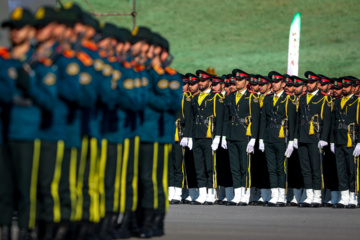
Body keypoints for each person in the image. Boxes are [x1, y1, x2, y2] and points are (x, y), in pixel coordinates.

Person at [223, 69, 260, 206]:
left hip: (245, 135)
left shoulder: (252, 97)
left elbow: (256, 119)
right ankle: (236, 195)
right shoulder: (230, 97)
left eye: (239, 80)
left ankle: (246, 194)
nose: (236, 82)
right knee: (234, 166)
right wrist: (224, 137)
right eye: (235, 80)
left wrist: (254, 139)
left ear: (247, 82)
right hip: (232, 135)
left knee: (245, 167)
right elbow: (226, 118)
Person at [259, 71, 296, 207]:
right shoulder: (268, 98)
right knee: (271, 168)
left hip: (282, 137)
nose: (273, 85)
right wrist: (261, 139)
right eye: (272, 82)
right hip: (269, 136)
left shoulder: (288, 99)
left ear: (283, 84)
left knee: (281, 167)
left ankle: (282, 195)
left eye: (276, 82)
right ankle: (274, 195)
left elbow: (292, 121)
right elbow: (264, 120)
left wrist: (291, 141)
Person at [190, 70, 224, 205]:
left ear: (210, 83)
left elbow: (220, 118)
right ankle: (202, 193)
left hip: (209, 135)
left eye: (203, 81)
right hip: (197, 134)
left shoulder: (216, 98)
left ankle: (211, 192)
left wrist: (218, 137)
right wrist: (190, 135)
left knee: (210, 166)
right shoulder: (195, 98)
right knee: (199, 166)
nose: (200, 83)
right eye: (199, 81)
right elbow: (192, 118)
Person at [297, 71, 332, 208]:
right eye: (308, 83)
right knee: (305, 168)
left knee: (316, 168)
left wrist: (324, 138)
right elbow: (299, 119)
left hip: (315, 137)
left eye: (311, 83)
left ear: (318, 84)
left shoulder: (324, 99)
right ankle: (309, 195)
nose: (308, 85)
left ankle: (317, 196)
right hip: (303, 136)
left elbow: (327, 120)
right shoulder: (302, 98)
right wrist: (295, 137)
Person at [331, 76, 360, 208]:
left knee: (352, 170)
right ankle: (344, 197)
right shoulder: (337, 102)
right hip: (339, 139)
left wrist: (359, 142)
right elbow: (333, 123)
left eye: (347, 87)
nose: (344, 89)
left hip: (351, 140)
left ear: (353, 88)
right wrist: (332, 141)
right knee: (341, 169)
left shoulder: (357, 102)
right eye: (343, 87)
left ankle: (353, 196)